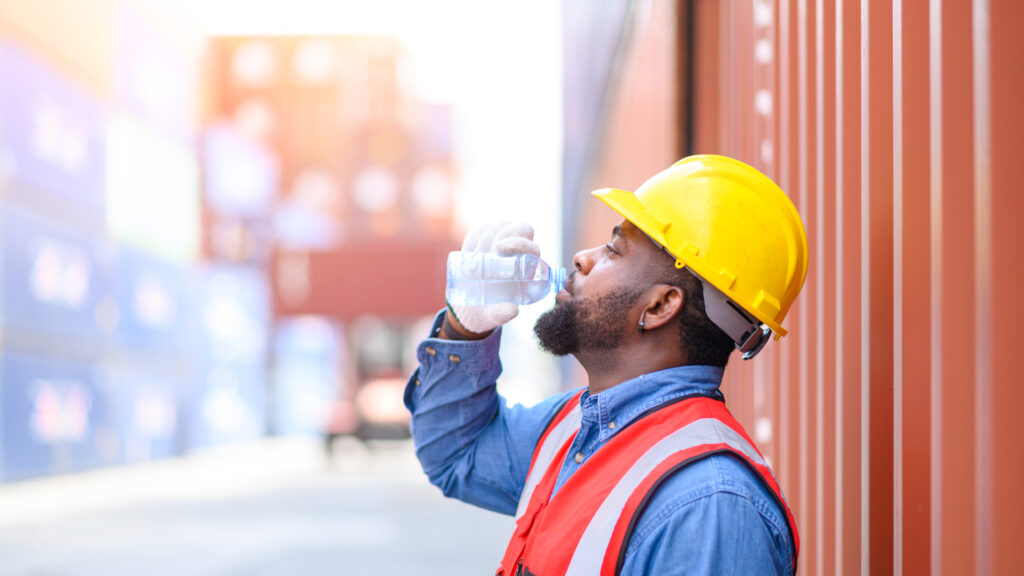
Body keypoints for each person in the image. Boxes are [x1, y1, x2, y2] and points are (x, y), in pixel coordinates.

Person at [404, 155, 807, 575]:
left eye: (614, 250)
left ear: (660, 305)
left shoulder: (710, 508)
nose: (582, 258)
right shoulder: (576, 427)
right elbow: (456, 453)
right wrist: (463, 328)